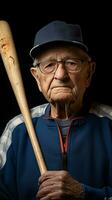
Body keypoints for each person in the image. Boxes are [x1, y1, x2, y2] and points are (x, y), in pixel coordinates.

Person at [0, 20, 112, 200]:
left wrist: (85, 194)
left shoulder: (109, 123)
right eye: (49, 65)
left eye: (71, 63)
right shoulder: (16, 130)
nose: (60, 75)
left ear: (89, 73)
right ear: (37, 78)